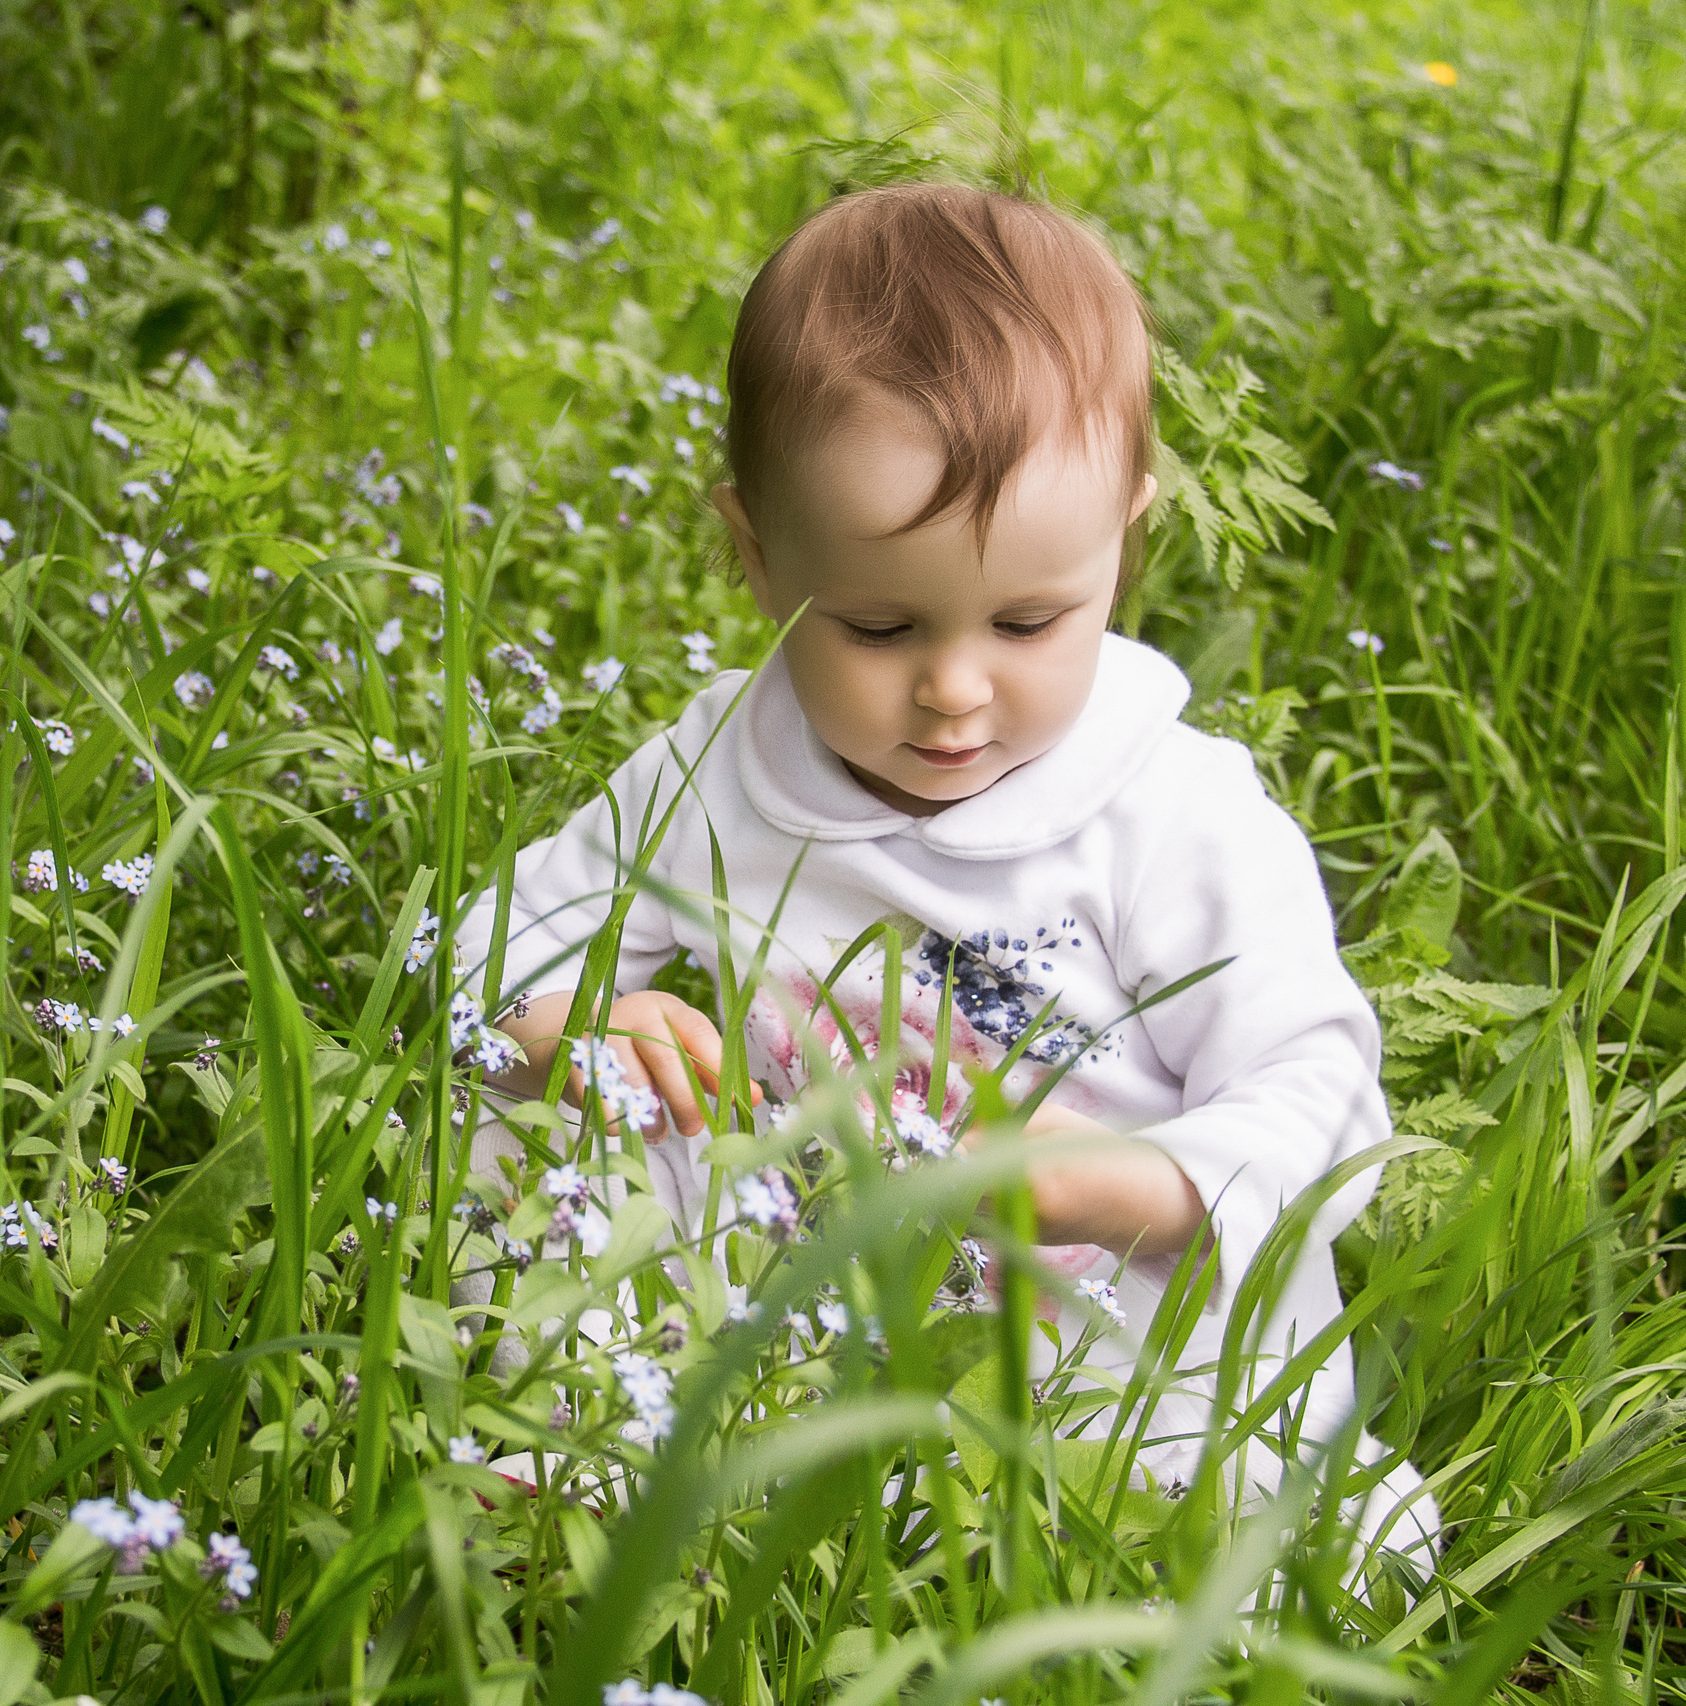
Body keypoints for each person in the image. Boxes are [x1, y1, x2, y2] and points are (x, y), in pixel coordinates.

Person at [449, 182, 1435, 1566]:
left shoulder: (1170, 811)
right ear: (758, 554)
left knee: (1296, 1526)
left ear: (1124, 539)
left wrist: (1120, 1186)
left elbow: (1321, 1096)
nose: (954, 690)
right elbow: (481, 959)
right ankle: (602, 1429)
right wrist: (571, 1023)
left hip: (1108, 1334)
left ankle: (1139, 1517)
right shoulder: (720, 766)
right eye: (878, 626)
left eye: (1029, 621)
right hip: (805, 1296)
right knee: (514, 1114)